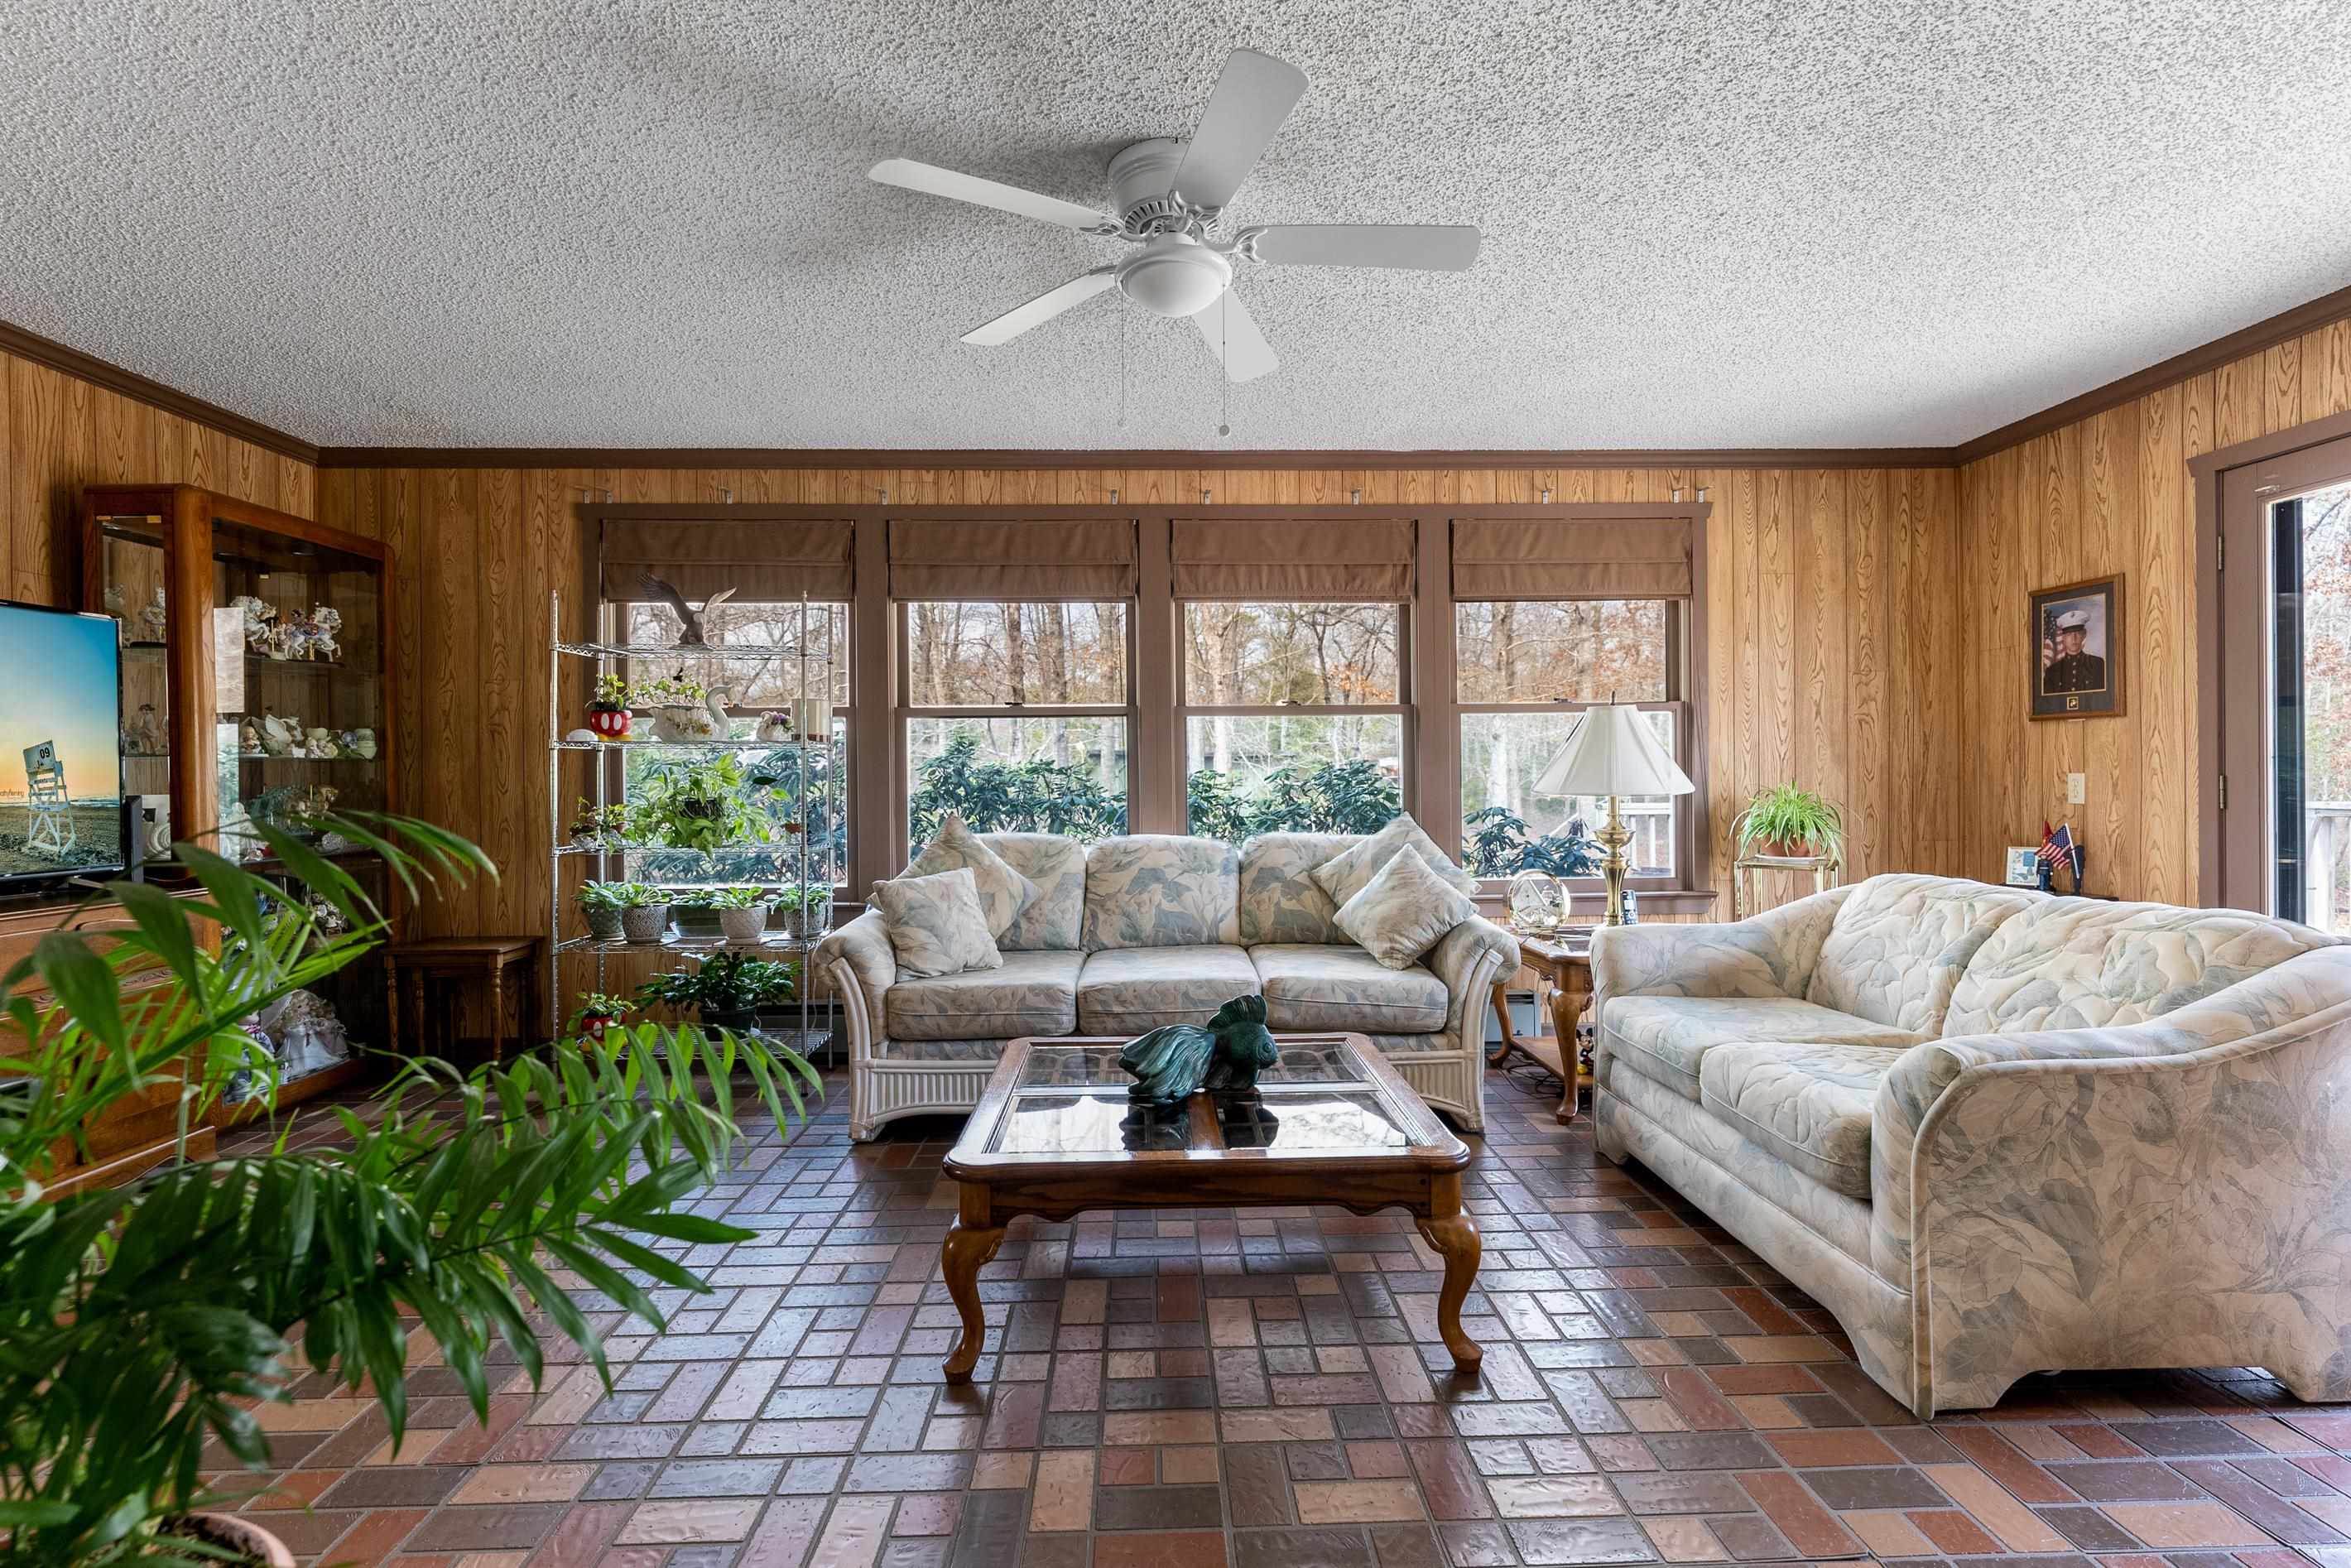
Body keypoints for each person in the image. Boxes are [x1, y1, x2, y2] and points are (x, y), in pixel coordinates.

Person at [2042, 607, 2106, 695]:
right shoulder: (2052, 671)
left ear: (2084, 635)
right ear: (2063, 638)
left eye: (2078, 633)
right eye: (2069, 634)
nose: (2074, 639)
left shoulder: (2097, 664)